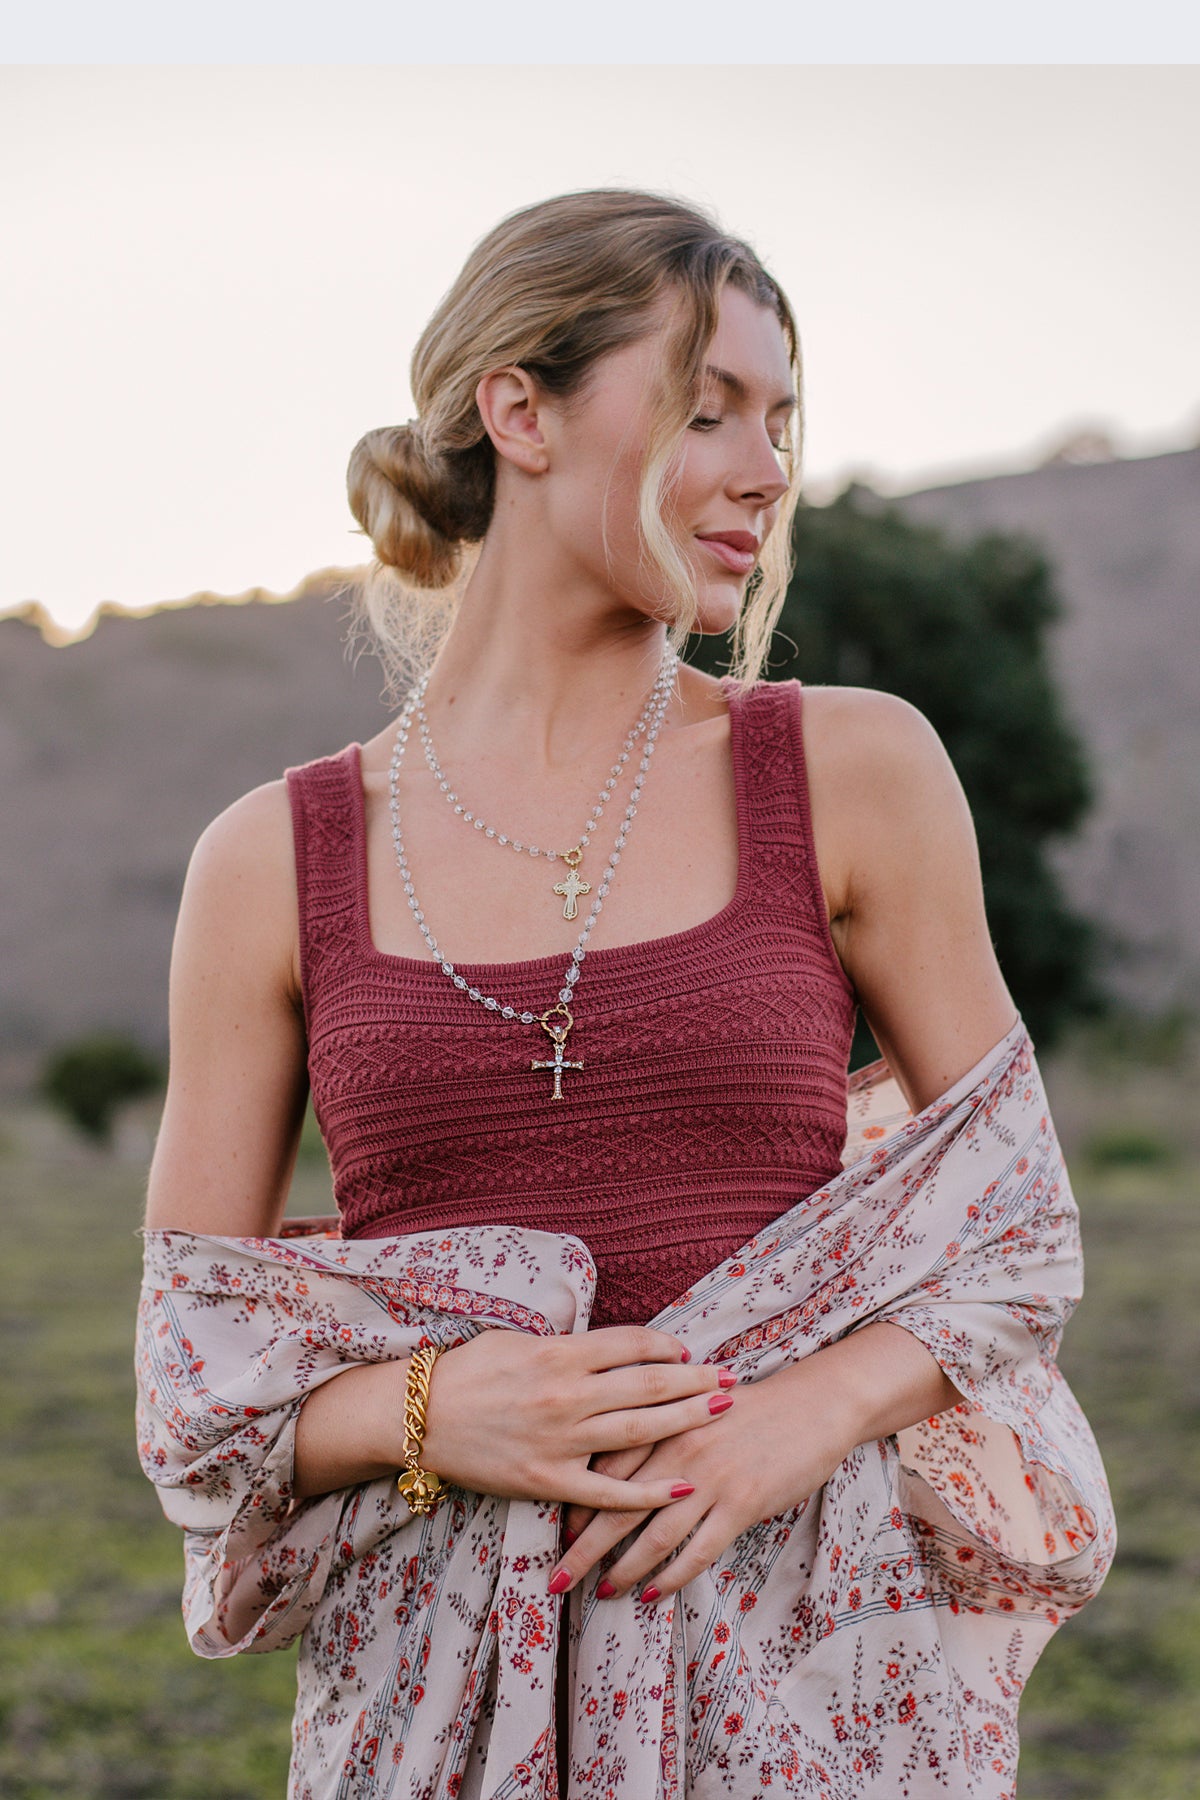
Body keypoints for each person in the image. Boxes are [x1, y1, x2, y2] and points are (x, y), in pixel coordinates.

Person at [137, 189, 1113, 1799]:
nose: (768, 468)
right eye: (707, 406)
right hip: (434, 1692)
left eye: (782, 418)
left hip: (813, 1659)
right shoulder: (270, 863)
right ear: (518, 411)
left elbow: (1019, 1235)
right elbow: (195, 1381)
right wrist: (435, 1406)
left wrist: (789, 1421)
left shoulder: (853, 770)